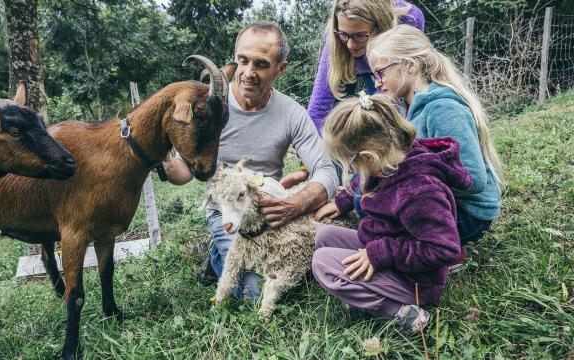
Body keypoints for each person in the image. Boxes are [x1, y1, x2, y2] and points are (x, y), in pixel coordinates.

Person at [162, 22, 338, 300]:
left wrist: (296, 203)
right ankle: (218, 256)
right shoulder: (210, 105)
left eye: (261, 64)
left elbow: (326, 170)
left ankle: (223, 256)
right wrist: (169, 164)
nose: (248, 73)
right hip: (226, 212)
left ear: (280, 69)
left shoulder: (291, 113)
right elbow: (186, 171)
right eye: (242, 61)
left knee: (306, 272)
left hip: (270, 210)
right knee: (254, 292)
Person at [312, 92, 471, 332]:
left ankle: (401, 313)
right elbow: (364, 181)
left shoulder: (420, 191)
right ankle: (366, 285)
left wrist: (381, 253)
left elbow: (444, 249)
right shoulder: (393, 157)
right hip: (389, 250)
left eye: (352, 164)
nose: (353, 170)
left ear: (368, 157)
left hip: (415, 281)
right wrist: (343, 201)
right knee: (324, 238)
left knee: (322, 264)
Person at [365, 25, 503, 247]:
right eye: (374, 76)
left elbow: (474, 180)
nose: (377, 82)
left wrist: (405, 180)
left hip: (468, 215)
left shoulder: (443, 110)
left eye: (381, 73)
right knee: (367, 204)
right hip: (440, 202)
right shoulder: (404, 108)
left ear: (410, 65)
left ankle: (436, 257)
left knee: (378, 213)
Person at [282, 0, 424, 188]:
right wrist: (307, 165)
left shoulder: (409, 18)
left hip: (389, 69)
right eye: (344, 34)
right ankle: (344, 181)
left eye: (359, 35)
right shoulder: (338, 41)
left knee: (387, 122)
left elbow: (403, 102)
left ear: (380, 25)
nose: (350, 44)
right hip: (354, 70)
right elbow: (319, 106)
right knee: (338, 127)